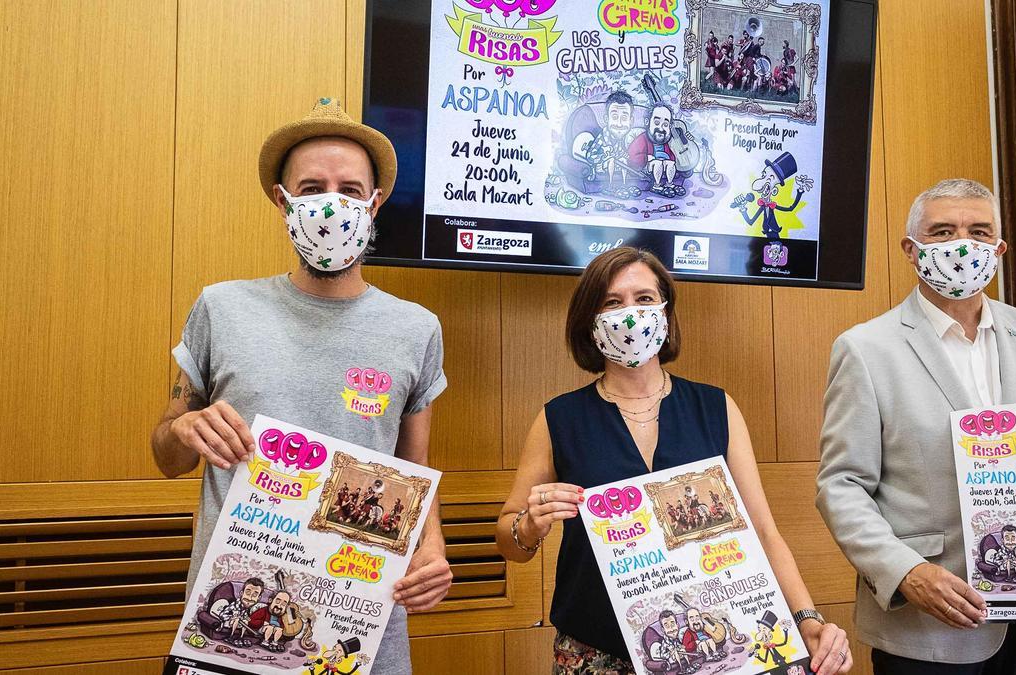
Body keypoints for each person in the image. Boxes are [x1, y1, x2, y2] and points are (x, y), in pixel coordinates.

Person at [150, 98, 453, 674]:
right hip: (229, 632)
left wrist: (430, 548)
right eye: (312, 188)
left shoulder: (417, 328)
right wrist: (184, 428)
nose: (330, 204)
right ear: (282, 201)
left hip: (360, 634)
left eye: (348, 188)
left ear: (374, 201)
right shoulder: (222, 307)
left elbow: (415, 471)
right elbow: (165, 455)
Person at [816, 178, 1016, 674]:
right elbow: (841, 486)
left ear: (998, 249)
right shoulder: (866, 349)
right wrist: (905, 572)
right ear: (912, 249)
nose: (961, 246)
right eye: (942, 232)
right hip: (933, 619)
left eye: (978, 232)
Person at [495, 247, 852, 674]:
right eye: (613, 302)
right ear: (590, 321)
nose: (630, 314)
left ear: (665, 313)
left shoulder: (716, 407)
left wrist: (806, 617)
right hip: (595, 652)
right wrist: (530, 526)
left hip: (708, 648)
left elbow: (762, 531)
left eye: (644, 299)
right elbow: (509, 538)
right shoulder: (559, 418)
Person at [581, 90, 635, 185]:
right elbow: (590, 157)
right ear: (606, 119)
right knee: (611, 160)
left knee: (623, 160)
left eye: (624, 118)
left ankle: (624, 184)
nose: (619, 124)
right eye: (614, 117)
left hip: (618, 166)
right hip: (602, 167)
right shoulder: (602, 139)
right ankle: (610, 185)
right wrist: (604, 156)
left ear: (631, 121)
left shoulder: (629, 139)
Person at [628, 104, 679, 194]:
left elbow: (671, 156)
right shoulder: (642, 139)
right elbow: (632, 156)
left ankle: (669, 184)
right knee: (658, 163)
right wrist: (646, 158)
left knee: (671, 163)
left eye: (665, 124)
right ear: (647, 122)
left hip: (662, 166)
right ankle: (657, 185)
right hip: (646, 167)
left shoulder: (666, 143)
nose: (661, 128)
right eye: (656, 123)